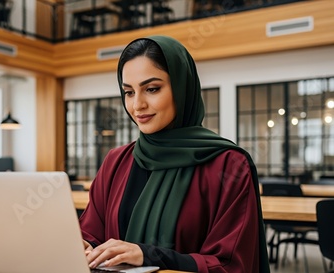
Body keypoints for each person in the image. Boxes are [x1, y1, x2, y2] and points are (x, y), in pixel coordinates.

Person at [79, 35, 270, 273]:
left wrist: (149, 256)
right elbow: (92, 234)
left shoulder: (229, 164)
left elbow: (231, 264)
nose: (137, 105)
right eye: (129, 92)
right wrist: (85, 247)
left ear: (181, 88)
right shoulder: (116, 162)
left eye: (152, 89)